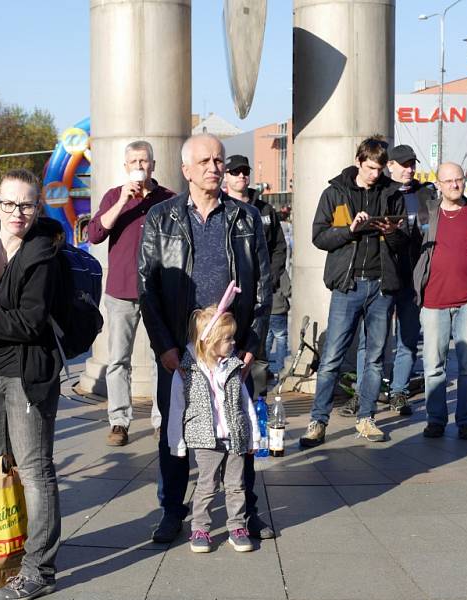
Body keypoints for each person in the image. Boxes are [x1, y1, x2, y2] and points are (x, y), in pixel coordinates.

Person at [138, 133, 272, 545]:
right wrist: (164, 347)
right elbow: (148, 286)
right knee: (175, 432)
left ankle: (244, 512)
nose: (215, 167)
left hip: (231, 350)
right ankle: (173, 511)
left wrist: (251, 344)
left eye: (219, 160)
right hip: (182, 351)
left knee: (238, 431)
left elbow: (264, 285)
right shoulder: (162, 217)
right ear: (186, 170)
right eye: (205, 161)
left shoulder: (246, 217)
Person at [0, 169, 62, 600]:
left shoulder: (43, 252)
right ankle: (8, 549)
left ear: (37, 206)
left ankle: (40, 569)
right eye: (9, 203)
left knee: (34, 469)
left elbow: (30, 321)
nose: (17, 213)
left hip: (28, 372)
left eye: (26, 205)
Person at [299, 136, 408, 448]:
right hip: (348, 285)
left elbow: (403, 243)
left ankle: (366, 417)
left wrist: (392, 232)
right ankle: (318, 421)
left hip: (382, 285)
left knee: (375, 357)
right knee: (332, 356)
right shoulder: (335, 192)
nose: (376, 173)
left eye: (380, 168)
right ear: (359, 161)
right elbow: (319, 237)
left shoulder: (391, 194)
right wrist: (349, 231)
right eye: (371, 167)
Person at [88, 140, 175, 446]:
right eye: (133, 161)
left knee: (161, 358)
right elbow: (95, 234)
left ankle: (162, 419)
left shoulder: (168, 200)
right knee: (118, 360)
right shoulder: (115, 195)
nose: (139, 166)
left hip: (158, 291)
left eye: (144, 161)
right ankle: (119, 421)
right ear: (125, 167)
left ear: (153, 165)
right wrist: (122, 201)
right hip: (121, 290)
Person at [167, 300, 260, 553]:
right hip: (205, 439)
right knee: (206, 486)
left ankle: (237, 527)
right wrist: (177, 442)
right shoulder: (186, 371)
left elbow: (245, 403)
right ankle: (200, 528)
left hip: (235, 437)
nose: (234, 343)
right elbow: (176, 409)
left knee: (236, 485)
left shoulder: (233, 367)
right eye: (228, 339)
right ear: (209, 341)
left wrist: (254, 436)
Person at [352, 144, 432, 417]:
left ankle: (399, 391)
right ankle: (364, 395)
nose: (409, 169)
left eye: (413, 164)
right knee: (372, 341)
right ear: (391, 166)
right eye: (404, 164)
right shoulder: (380, 192)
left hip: (413, 276)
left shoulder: (425, 194)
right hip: (383, 276)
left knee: (408, 338)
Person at [413, 162, 467, 439]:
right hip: (433, 302)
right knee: (434, 367)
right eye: (448, 181)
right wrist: (415, 286)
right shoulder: (428, 214)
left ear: (465, 180)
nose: (454, 185)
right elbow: (410, 249)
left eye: (458, 180)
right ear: (439, 184)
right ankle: (436, 420)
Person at [224, 154, 287, 395]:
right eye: (236, 171)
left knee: (256, 349)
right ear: (226, 177)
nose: (242, 175)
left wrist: (268, 278)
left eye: (245, 171)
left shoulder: (265, 210)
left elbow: (280, 247)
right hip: (229, 292)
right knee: (228, 346)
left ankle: (257, 398)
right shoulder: (221, 207)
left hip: (259, 290)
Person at [266, 269, 291, 376]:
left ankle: (264, 370)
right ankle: (281, 371)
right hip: (279, 310)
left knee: (266, 342)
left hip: (266, 310)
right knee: (281, 341)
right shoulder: (280, 269)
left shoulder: (263, 265)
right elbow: (287, 291)